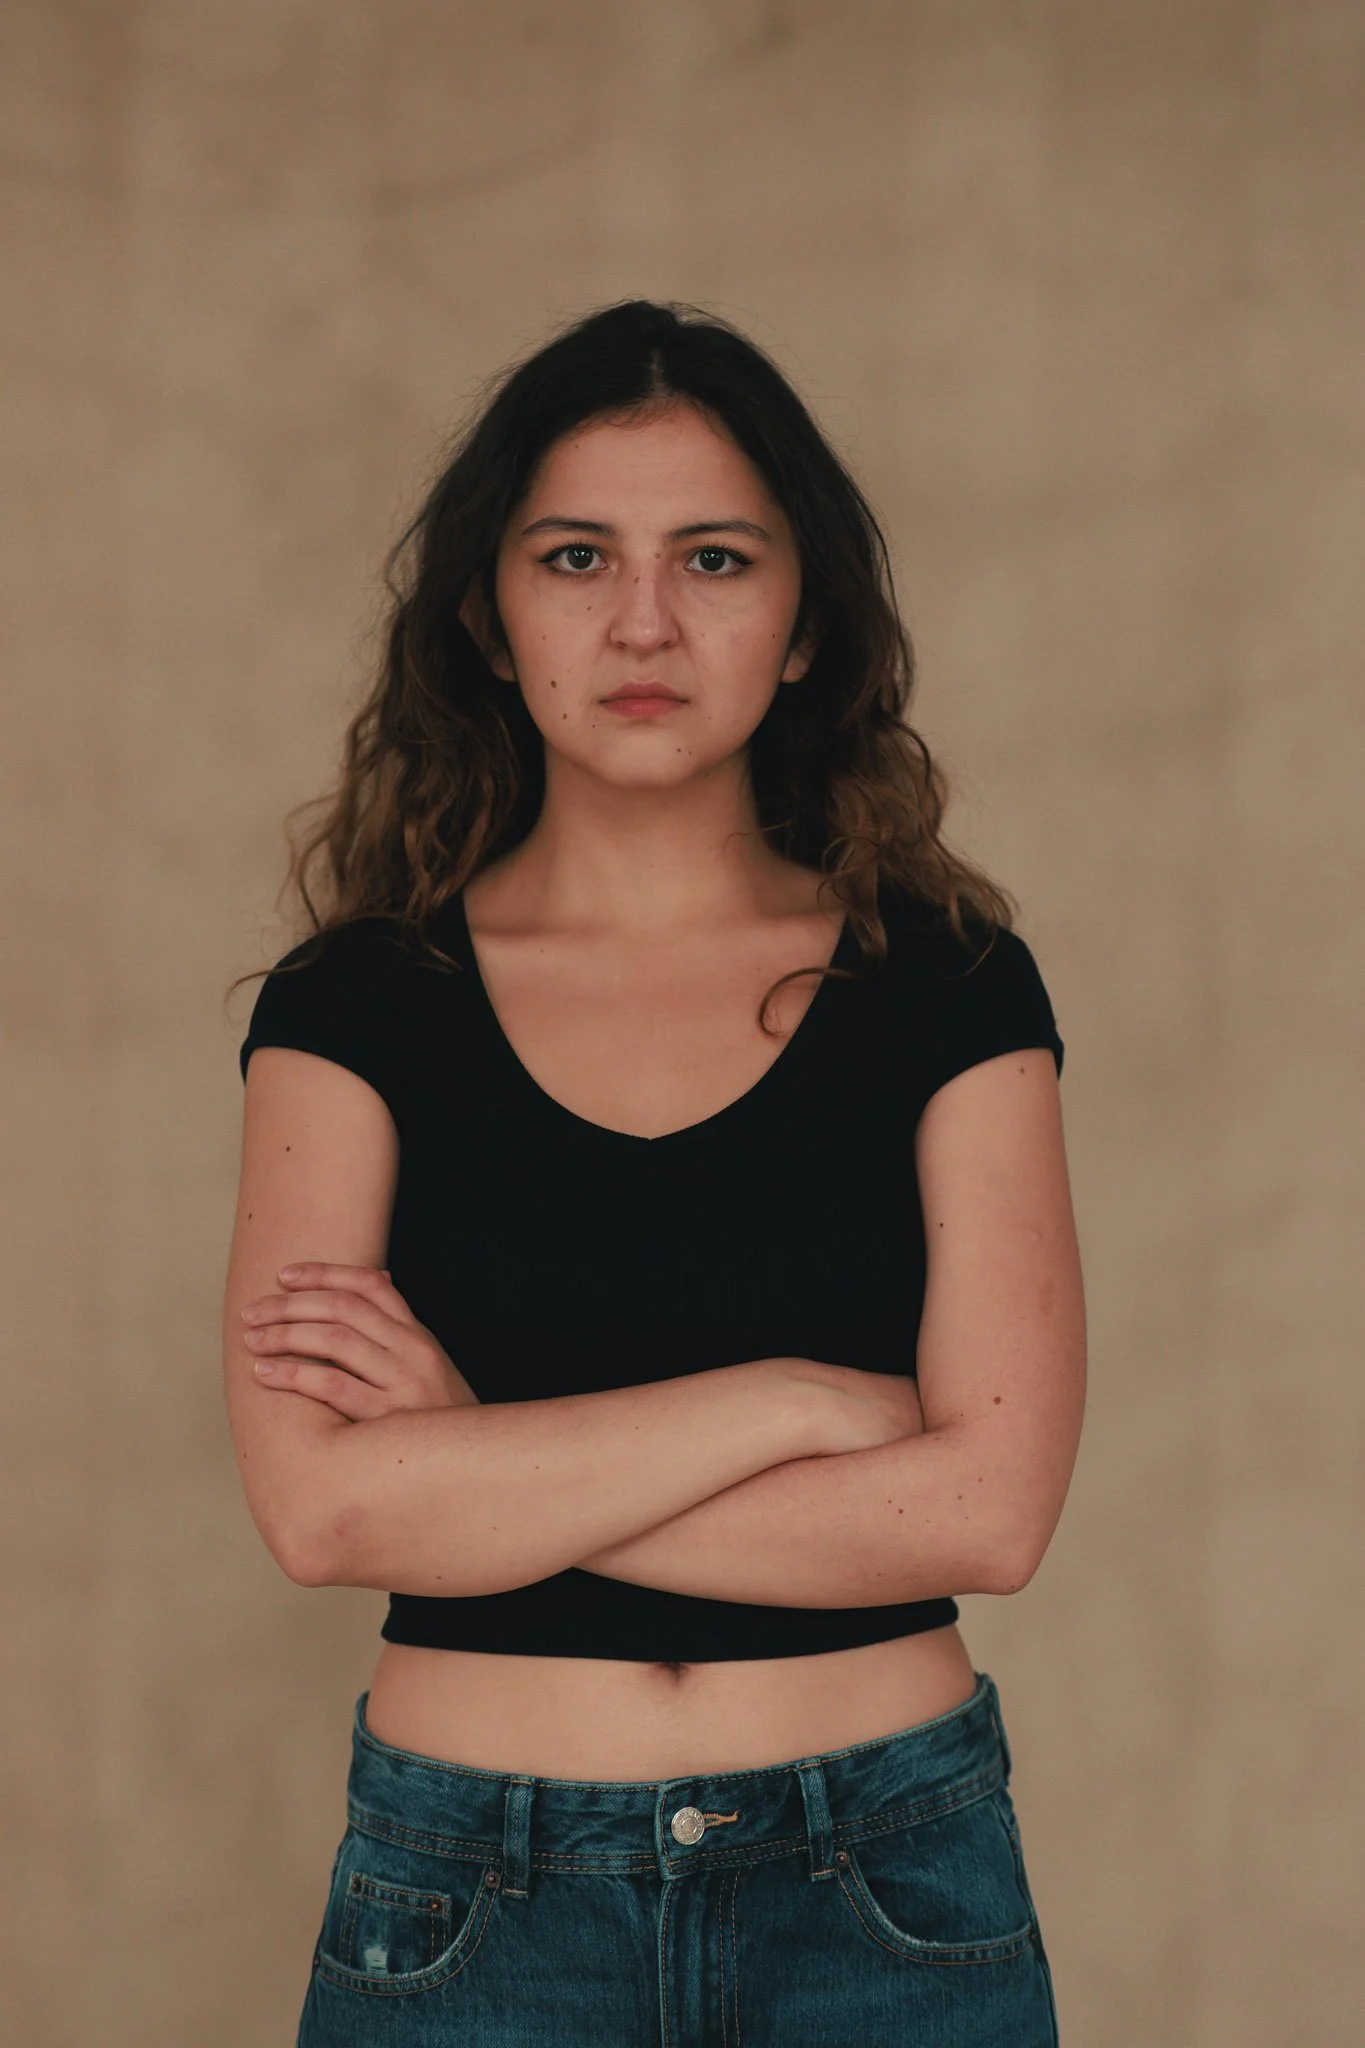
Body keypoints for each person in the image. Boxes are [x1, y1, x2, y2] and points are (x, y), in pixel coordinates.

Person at [224, 297, 1086, 2046]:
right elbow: (325, 1512)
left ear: (803, 623)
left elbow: (989, 1512)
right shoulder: (358, 1005)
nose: (641, 621)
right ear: (485, 613)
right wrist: (795, 1401)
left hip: (885, 1882)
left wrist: (480, 1457)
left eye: (711, 558)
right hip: (471, 1895)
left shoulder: (948, 984)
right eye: (573, 557)